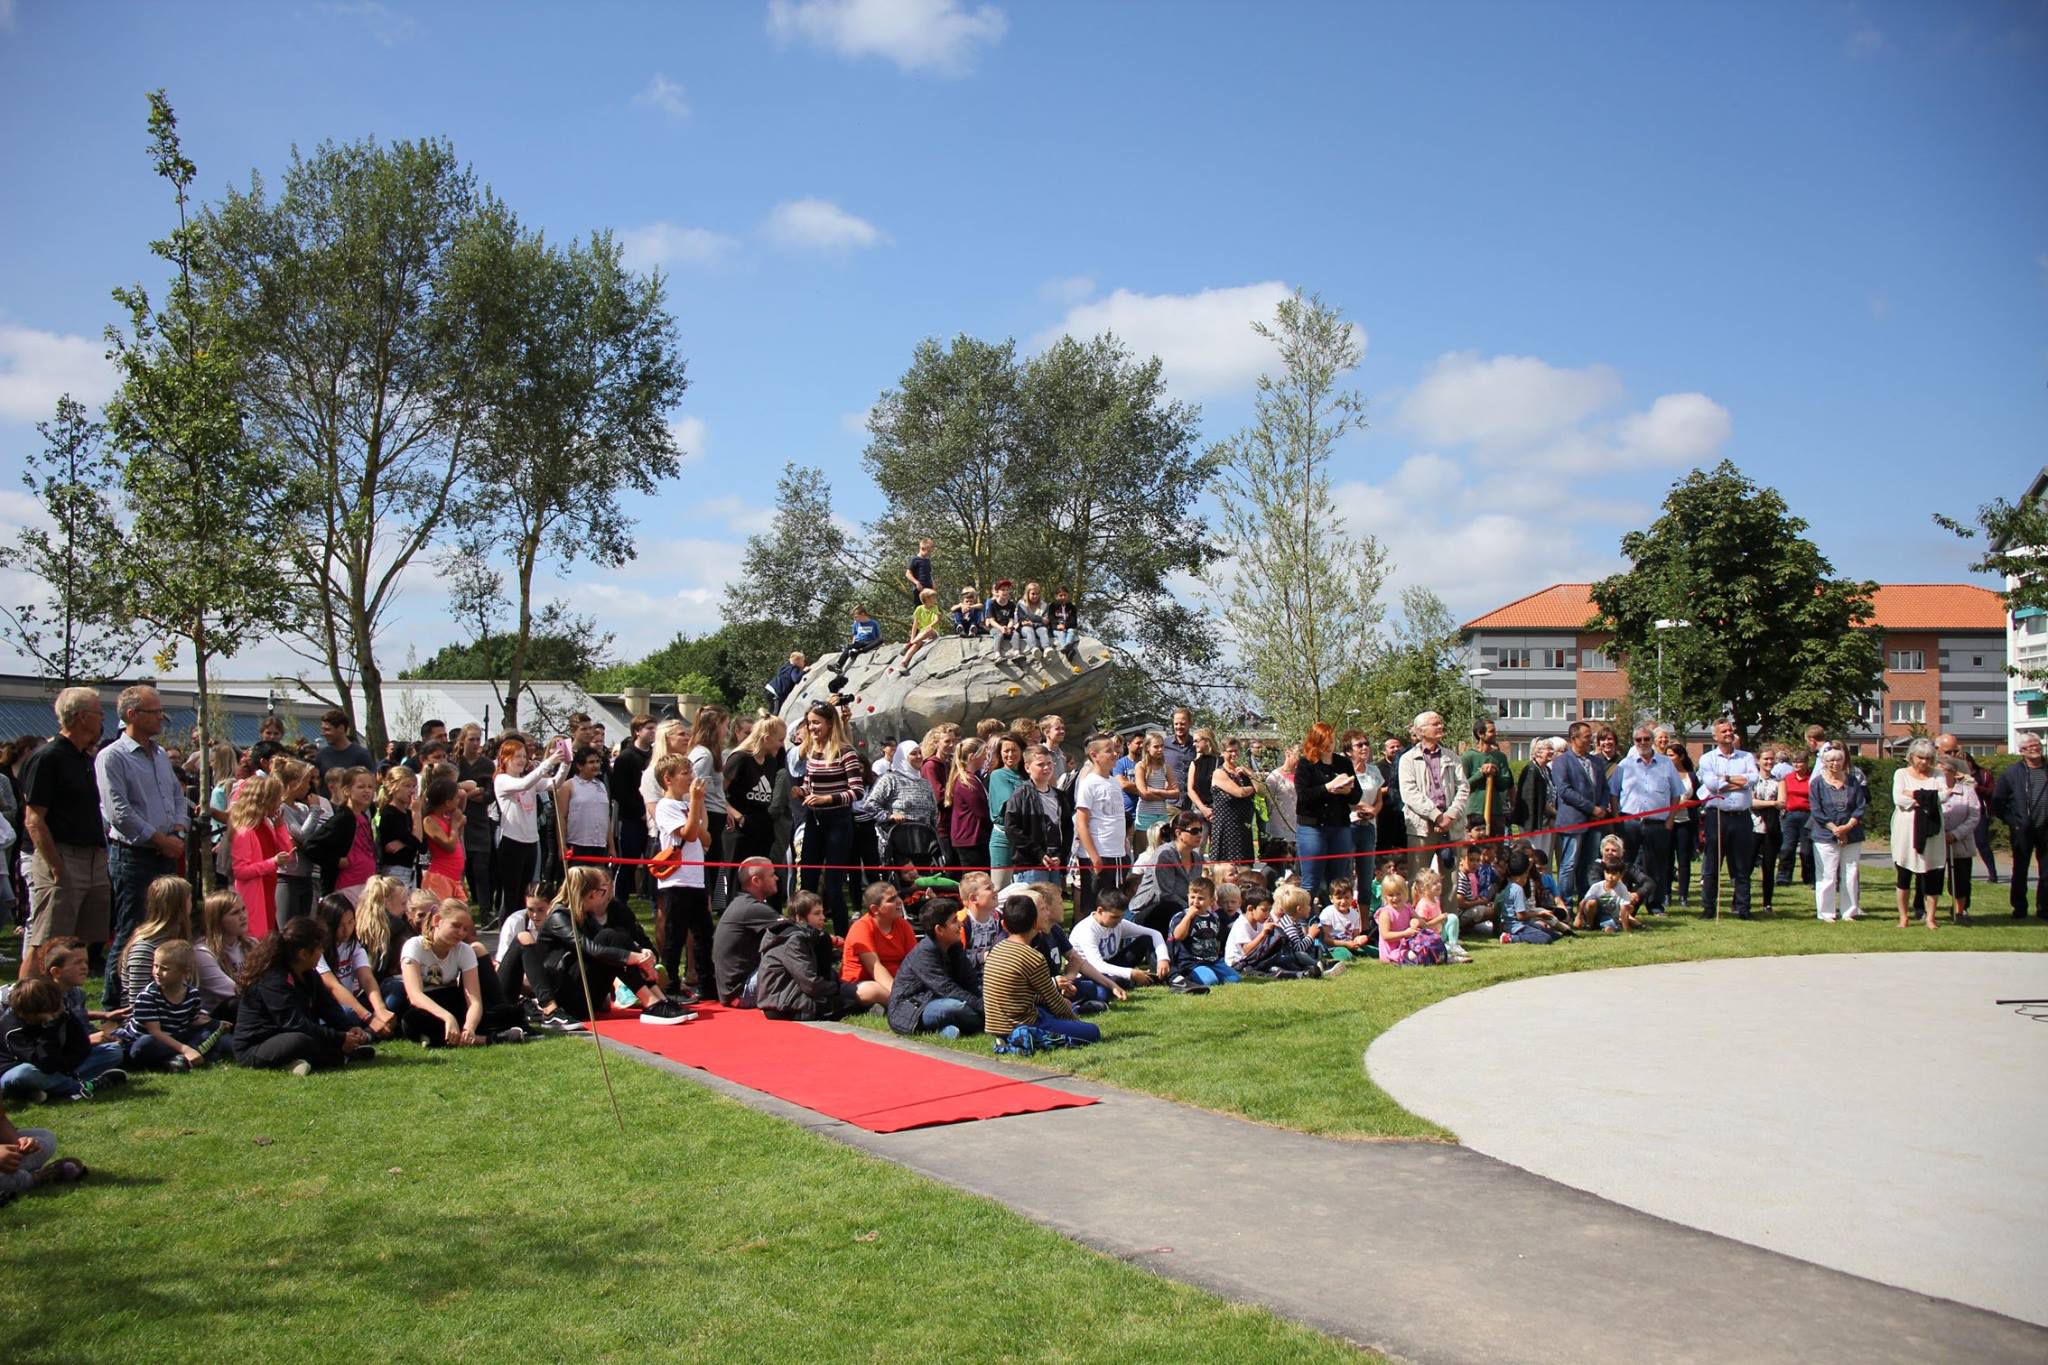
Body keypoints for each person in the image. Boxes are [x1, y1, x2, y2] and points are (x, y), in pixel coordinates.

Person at [95, 685, 188, 1011]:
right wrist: (159, 839)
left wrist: (178, 829)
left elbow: (176, 796)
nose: (161, 717)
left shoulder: (160, 755)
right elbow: (119, 812)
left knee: (167, 928)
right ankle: (115, 1006)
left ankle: (160, 999)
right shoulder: (112, 757)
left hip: (166, 851)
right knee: (132, 929)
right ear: (132, 714)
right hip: (134, 856)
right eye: (154, 712)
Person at [19, 687, 110, 987]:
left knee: (78, 943)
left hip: (92, 857)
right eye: (99, 713)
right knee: (47, 941)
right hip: (61, 856)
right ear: (82, 717)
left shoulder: (83, 758)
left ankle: (65, 1004)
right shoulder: (48, 757)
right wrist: (57, 867)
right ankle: (25, 1002)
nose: (103, 719)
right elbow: (34, 819)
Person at [532, 868, 683, 1027]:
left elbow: (615, 942)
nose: (607, 895)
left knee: (614, 936)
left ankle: (659, 999)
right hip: (565, 997)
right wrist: (636, 957)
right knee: (609, 938)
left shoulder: (586, 914)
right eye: (603, 891)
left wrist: (641, 952)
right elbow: (591, 949)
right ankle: (651, 1002)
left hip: (585, 989)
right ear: (592, 894)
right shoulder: (558, 917)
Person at [233, 917, 375, 1073]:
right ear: (304, 954)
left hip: (287, 1033)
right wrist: (339, 1038)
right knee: (302, 1040)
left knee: (318, 1033)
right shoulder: (273, 979)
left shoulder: (309, 975)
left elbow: (327, 1007)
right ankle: (341, 1055)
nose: (322, 952)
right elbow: (294, 1023)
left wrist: (348, 1028)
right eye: (319, 949)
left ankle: (322, 1056)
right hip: (257, 1045)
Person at [397, 901, 525, 1047]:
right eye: (456, 926)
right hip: (427, 1005)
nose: (461, 933)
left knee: (498, 1013)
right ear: (437, 920)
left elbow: (474, 1001)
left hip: (453, 1000)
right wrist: (447, 1017)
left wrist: (469, 1026)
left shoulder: (464, 950)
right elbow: (415, 995)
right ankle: (486, 1039)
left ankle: (453, 1038)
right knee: (411, 1020)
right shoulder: (414, 946)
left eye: (465, 929)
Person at [982, 891, 1099, 1045]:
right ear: (1035, 923)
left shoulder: (997, 949)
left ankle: (1010, 1038)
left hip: (995, 1025)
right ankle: (1024, 1038)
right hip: (1022, 1024)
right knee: (1092, 1031)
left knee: (1048, 1012)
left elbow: (1022, 994)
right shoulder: (1033, 957)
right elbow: (1054, 1001)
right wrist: (1075, 1021)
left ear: (1004, 925)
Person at [1, 975, 128, 1100]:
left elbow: (82, 1046)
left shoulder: (60, 1012)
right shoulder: (13, 1029)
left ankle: (46, 1090)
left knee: (113, 1051)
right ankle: (83, 1087)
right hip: (23, 1068)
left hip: (60, 1065)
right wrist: (50, 1027)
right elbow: (44, 1063)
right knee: (23, 1074)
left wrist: (66, 1066)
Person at [758, 892, 879, 1020]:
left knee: (851, 995)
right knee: (852, 1001)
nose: (823, 918)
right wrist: (837, 988)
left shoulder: (804, 936)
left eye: (822, 913)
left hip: (788, 998)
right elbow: (810, 983)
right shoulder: (793, 940)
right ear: (800, 918)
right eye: (817, 914)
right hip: (784, 1005)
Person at [652, 755, 714, 1002]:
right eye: (685, 773)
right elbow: (689, 834)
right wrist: (696, 802)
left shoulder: (688, 805)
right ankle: (670, 987)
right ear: (668, 779)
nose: (691, 778)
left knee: (704, 935)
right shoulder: (665, 806)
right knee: (675, 935)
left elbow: (705, 836)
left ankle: (707, 983)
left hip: (695, 879)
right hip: (676, 881)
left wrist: (698, 803)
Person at [117, 939, 229, 1070]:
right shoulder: (147, 996)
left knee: (214, 1025)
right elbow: (155, 1032)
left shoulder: (192, 994)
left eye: (164, 969)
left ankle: (181, 1058)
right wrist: (185, 1049)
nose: (157, 972)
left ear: (185, 971)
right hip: (147, 1040)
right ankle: (187, 1055)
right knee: (144, 1044)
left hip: (173, 1036)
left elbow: (191, 1021)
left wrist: (212, 1023)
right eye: (155, 966)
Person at [492, 737, 565, 930]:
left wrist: (565, 763)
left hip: (531, 842)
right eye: (517, 756)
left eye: (524, 756)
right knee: (511, 895)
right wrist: (549, 762)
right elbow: (524, 784)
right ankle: (507, 933)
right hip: (512, 842)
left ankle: (523, 930)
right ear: (505, 758)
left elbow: (555, 783)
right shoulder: (502, 780)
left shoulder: (529, 779)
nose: (522, 760)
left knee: (526, 893)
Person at [885, 899, 984, 1038]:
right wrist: (984, 1009)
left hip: (939, 998)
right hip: (915, 1007)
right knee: (955, 1007)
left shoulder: (954, 945)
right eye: (954, 921)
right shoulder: (924, 953)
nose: (960, 924)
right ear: (939, 930)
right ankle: (982, 1023)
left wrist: (983, 1001)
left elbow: (969, 980)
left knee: (966, 1003)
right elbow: (947, 989)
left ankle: (945, 1029)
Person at [1612, 725, 1683, 915]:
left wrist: (1670, 819)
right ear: (1634, 742)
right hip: (1630, 822)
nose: (1642, 742)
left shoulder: (1666, 764)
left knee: (1656, 866)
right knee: (1626, 865)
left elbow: (1676, 793)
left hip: (1657, 823)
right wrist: (1617, 818)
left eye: (1646, 739)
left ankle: (1655, 904)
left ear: (1652, 741)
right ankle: (1625, 904)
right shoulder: (1625, 765)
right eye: (1638, 739)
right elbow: (1613, 793)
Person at [1695, 720, 1760, 920]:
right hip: (1717, 816)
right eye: (1724, 731)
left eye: (1731, 730)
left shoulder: (1746, 757)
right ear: (1715, 736)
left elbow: (1754, 779)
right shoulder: (1708, 758)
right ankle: (1708, 907)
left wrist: (1727, 779)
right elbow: (1712, 785)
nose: (1728, 733)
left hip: (1741, 817)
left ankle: (1743, 908)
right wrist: (1740, 781)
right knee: (1712, 865)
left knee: (1742, 866)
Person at [1295, 722, 1359, 903]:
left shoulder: (1343, 763)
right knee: (1311, 882)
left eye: (1331, 740)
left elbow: (1356, 795)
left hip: (1340, 826)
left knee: (1339, 881)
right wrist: (1328, 787)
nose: (1329, 745)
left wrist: (1347, 791)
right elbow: (1303, 795)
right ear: (1315, 741)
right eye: (1324, 741)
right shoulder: (1306, 764)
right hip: (1312, 827)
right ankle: (1306, 917)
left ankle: (1336, 917)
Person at [1072, 734, 1131, 921]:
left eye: (1115, 750)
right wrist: (1094, 856)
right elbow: (1082, 822)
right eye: (1108, 751)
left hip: (1116, 853)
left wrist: (1123, 844)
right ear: (1094, 755)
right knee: (1095, 906)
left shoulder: (1114, 782)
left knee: (1114, 904)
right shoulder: (1089, 783)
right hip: (1098, 854)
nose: (1115, 754)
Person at [1547, 721, 1606, 904]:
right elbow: (1565, 791)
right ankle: (1566, 903)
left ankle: (1586, 901)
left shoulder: (1596, 761)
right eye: (1587, 737)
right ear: (1574, 738)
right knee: (1569, 864)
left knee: (1590, 863)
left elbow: (1604, 788)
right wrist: (1591, 808)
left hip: (1594, 821)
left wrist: (1602, 807)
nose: (1590, 740)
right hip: (1573, 820)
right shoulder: (1562, 762)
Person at [1890, 737, 1945, 932]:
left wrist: (1913, 794)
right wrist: (1927, 797)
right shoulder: (1901, 773)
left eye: (1928, 758)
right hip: (1906, 831)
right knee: (1904, 875)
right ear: (1912, 756)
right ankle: (1903, 917)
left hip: (1932, 829)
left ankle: (1930, 917)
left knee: (1933, 874)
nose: (1924, 762)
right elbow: (1898, 799)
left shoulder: (1938, 774)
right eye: (1920, 757)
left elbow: (1943, 796)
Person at [710, 857, 781, 1007]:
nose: (777, 878)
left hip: (732, 990)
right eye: (771, 875)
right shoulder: (751, 908)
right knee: (788, 956)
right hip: (742, 991)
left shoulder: (741, 903)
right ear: (756, 881)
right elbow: (795, 931)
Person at [228, 775, 291, 939]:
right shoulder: (244, 832)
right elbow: (240, 871)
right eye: (276, 799)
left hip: (268, 891)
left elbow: (287, 854)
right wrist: (272, 863)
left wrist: (280, 828)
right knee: (256, 939)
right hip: (254, 896)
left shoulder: (267, 825)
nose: (279, 803)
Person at [115, 874, 194, 1005]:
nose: (192, 904)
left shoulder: (178, 939)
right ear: (178, 905)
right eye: (189, 899)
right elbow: (137, 1003)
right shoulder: (145, 948)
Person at [1809, 745, 1867, 922]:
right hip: (1825, 835)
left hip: (1852, 833)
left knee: (1850, 873)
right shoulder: (1817, 783)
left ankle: (1849, 912)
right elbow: (1816, 810)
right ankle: (1826, 913)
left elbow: (1860, 806)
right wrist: (1835, 829)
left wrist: (1847, 827)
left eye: (1839, 760)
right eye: (1831, 760)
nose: (1835, 763)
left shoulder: (1853, 781)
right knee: (1827, 874)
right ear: (1824, 762)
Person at [1995, 733, 2048, 918]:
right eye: (2029, 746)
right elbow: (1998, 802)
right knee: (2020, 870)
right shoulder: (2012, 773)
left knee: (2046, 871)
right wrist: (2014, 822)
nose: (2034, 748)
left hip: (2046, 828)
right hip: (2022, 830)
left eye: (2037, 744)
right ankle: (2019, 908)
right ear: (2022, 751)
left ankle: (2044, 908)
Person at [1001, 745, 1069, 888]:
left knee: (1054, 899)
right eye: (1040, 764)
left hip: (1055, 861)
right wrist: (1038, 853)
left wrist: (1061, 855)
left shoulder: (1060, 796)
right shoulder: (1020, 795)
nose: (1047, 768)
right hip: (1031, 864)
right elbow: (1012, 829)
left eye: (1049, 763)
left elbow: (1067, 827)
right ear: (1027, 767)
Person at [1128, 811, 1206, 935]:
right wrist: (1191, 909)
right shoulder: (1165, 855)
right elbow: (1165, 894)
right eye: (1194, 831)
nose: (1200, 835)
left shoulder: (1197, 858)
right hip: (1148, 911)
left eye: (1200, 830)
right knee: (1172, 907)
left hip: (1183, 909)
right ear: (1178, 833)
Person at [685, 706, 732, 910]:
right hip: (709, 817)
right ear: (715, 726)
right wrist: (701, 821)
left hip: (716, 813)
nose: (727, 731)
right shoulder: (704, 756)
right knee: (707, 870)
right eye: (725, 725)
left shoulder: (710, 753)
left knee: (713, 868)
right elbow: (695, 789)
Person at [842, 881, 916, 997]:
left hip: (896, 981)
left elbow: (914, 960)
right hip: (862, 983)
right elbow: (875, 967)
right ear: (875, 909)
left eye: (898, 896)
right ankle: (904, 1003)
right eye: (891, 900)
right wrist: (898, 994)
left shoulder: (903, 925)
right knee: (871, 990)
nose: (899, 901)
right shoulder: (861, 927)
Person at [194, 891, 255, 1014]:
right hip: (217, 1016)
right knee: (235, 1003)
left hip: (250, 1009)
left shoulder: (252, 944)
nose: (243, 916)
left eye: (243, 909)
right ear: (217, 920)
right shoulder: (202, 953)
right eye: (235, 913)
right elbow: (234, 992)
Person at [1939, 754, 1982, 925]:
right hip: (1936, 841)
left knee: (1961, 879)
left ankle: (1960, 910)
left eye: (1945, 771)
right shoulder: (1932, 791)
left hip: (1961, 842)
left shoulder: (1967, 791)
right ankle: (1927, 910)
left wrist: (1955, 834)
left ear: (1954, 773)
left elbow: (1974, 816)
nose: (1941, 774)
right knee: (1931, 877)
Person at [1496, 847, 1566, 944]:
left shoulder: (1510, 885)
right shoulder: (1518, 889)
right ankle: (1511, 938)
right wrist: (1539, 914)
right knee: (1546, 939)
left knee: (1553, 935)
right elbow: (1520, 916)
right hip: (1517, 927)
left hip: (1519, 925)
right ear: (1525, 873)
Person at [983, 737, 1026, 890]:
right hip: (1004, 837)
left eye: (1014, 750)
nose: (1010, 754)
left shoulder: (1027, 775)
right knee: (1000, 886)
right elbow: (1010, 802)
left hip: (1025, 836)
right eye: (1006, 751)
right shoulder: (998, 775)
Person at [1462, 720, 1514, 840]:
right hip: (1475, 811)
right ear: (1480, 734)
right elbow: (1463, 786)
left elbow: (1505, 784)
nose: (1495, 734)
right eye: (1491, 731)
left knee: (1496, 847)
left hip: (1496, 812)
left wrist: (1495, 774)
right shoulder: (1468, 757)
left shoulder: (1500, 757)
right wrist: (1480, 774)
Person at [947, 737, 991, 876]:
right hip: (971, 839)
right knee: (976, 877)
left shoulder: (971, 778)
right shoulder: (967, 782)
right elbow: (981, 812)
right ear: (972, 756)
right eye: (983, 753)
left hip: (972, 838)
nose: (985, 757)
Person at [1412, 868, 1471, 962]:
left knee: (1452, 918)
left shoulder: (1435, 900)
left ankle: (1453, 944)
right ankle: (1446, 950)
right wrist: (1439, 919)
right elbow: (1423, 926)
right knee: (1441, 948)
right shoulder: (1423, 904)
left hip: (1439, 933)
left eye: (1439, 882)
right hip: (1428, 938)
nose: (1439, 884)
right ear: (1424, 888)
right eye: (1434, 883)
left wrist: (1442, 920)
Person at [1776, 748, 1816, 888]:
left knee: (1807, 850)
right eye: (1794, 762)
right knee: (1787, 848)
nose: (1797, 765)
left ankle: (1809, 876)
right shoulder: (1787, 778)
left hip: (1808, 816)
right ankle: (1783, 876)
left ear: (1806, 763)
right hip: (1790, 816)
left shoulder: (1812, 779)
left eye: (1800, 762)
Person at [1667, 743, 1698, 907]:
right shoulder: (1664, 774)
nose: (1669, 758)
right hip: (1668, 822)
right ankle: (1666, 894)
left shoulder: (1691, 776)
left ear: (1681, 757)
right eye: (1667, 755)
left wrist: (1688, 803)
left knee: (1684, 860)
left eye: (1672, 755)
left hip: (1685, 822)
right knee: (1667, 859)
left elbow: (1699, 799)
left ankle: (1683, 895)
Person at [1317, 877, 1373, 961]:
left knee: (1374, 951)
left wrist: (1359, 940)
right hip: (1333, 947)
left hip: (1350, 945)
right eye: (1339, 898)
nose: (1343, 901)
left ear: (1352, 898)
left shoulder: (1355, 914)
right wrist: (1345, 944)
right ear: (1331, 898)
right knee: (1347, 956)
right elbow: (1326, 939)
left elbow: (1355, 936)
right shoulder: (1327, 913)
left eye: (1347, 897)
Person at [311, 709, 375, 779]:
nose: (323, 734)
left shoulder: (361, 755)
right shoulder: (321, 755)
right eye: (322, 729)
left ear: (341, 728)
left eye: (327, 729)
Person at [1045, 586, 1080, 661]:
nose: (1063, 597)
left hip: (1068, 628)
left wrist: (1065, 626)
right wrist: (1057, 626)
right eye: (1061, 595)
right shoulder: (1052, 606)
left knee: (1072, 631)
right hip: (1056, 629)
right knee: (1061, 633)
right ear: (1056, 596)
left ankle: (1067, 647)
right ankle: (1068, 650)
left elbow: (1074, 622)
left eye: (1065, 595)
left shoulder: (1072, 607)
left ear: (1068, 595)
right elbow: (1051, 619)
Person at [1015, 582, 1050, 651]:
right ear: (1027, 593)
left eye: (1037, 594)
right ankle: (1034, 648)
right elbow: (1022, 618)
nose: (1035, 596)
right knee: (1029, 630)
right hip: (1025, 628)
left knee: (1043, 630)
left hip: (1039, 628)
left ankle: (1047, 648)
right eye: (1033, 594)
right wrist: (1040, 619)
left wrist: (1033, 623)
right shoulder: (1021, 604)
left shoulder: (1044, 605)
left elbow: (1046, 621)